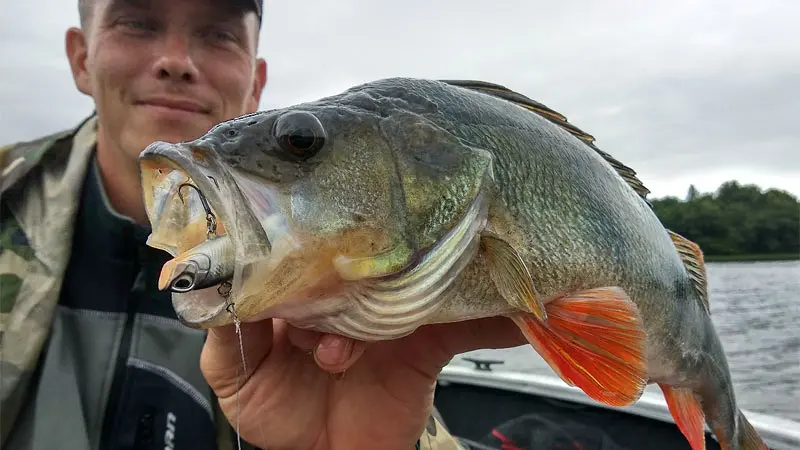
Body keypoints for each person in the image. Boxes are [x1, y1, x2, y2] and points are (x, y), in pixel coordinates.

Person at [0, 0, 527, 449]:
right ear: (80, 57)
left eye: (219, 34)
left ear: (257, 82)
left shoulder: (352, 280)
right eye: (137, 22)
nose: (176, 61)